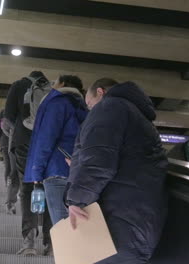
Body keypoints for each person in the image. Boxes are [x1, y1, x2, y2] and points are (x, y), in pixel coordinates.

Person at [65, 78, 168, 264]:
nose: (89, 110)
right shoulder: (136, 115)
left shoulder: (108, 107)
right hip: (137, 222)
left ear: (100, 92)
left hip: (115, 223)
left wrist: (77, 200)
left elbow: (98, 162)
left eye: (89, 104)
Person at [23, 75, 88, 225]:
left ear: (62, 84)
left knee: (63, 226)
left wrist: (37, 172)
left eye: (55, 83)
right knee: (76, 225)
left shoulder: (57, 103)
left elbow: (46, 138)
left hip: (56, 170)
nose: (52, 86)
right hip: (77, 170)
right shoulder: (81, 107)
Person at [4, 71, 52, 256]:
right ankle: (50, 242)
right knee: (48, 190)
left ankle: (29, 241)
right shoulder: (53, 90)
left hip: (23, 143)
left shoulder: (18, 85)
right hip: (47, 144)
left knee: (27, 188)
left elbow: (8, 118)